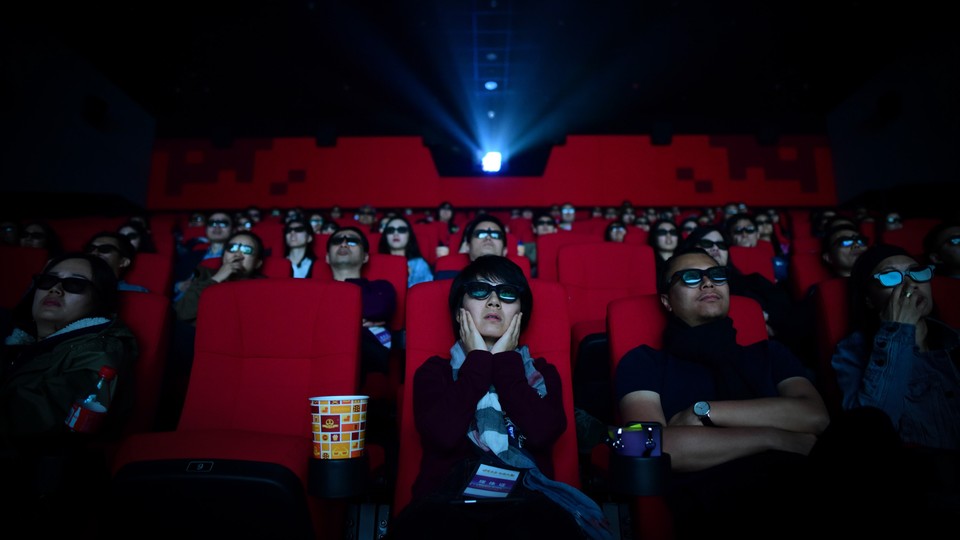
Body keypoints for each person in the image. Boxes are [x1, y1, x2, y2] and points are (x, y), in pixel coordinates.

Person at [614, 247, 922, 538]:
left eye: (717, 274)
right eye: (691, 277)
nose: (708, 281)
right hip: (719, 499)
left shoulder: (771, 353)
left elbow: (815, 417)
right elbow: (642, 444)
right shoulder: (644, 361)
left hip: (804, 480)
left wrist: (705, 411)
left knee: (869, 425)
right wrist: (775, 437)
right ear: (667, 301)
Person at [387, 255, 609, 540]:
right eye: (480, 291)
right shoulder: (434, 372)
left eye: (507, 294)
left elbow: (543, 433)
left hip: (527, 500)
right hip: (447, 502)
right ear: (459, 313)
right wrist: (479, 360)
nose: (493, 301)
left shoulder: (542, 373)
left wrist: (504, 361)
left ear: (520, 315)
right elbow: (442, 435)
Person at [1, 253, 138, 534]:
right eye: (48, 280)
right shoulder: (16, 337)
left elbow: (44, 412)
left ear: (98, 299)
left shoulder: (100, 349)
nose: (55, 289)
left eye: (75, 285)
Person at [831, 244, 959, 524]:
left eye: (916, 273)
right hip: (916, 490)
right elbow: (871, 430)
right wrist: (899, 332)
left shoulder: (955, 342)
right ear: (868, 299)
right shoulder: (851, 352)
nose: (910, 284)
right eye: (890, 277)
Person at [325, 227, 397, 379]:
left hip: (368, 359)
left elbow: (379, 308)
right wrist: (357, 322)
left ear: (365, 257)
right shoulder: (313, 291)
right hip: (323, 353)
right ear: (327, 257)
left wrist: (334, 320)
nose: (344, 244)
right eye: (338, 241)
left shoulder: (381, 287)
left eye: (352, 241)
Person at [172, 210, 234, 301]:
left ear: (233, 229)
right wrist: (179, 285)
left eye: (223, 223)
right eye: (212, 223)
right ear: (206, 229)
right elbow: (172, 281)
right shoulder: (191, 255)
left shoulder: (236, 257)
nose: (217, 227)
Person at [378, 215, 433, 288]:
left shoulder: (419, 264)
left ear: (409, 235)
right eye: (391, 230)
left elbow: (423, 294)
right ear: (385, 236)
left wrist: (407, 279)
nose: (395, 234)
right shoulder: (378, 263)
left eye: (401, 230)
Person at [85, 231, 150, 292]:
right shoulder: (81, 287)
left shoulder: (137, 292)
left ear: (123, 262)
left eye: (105, 249)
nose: (94, 253)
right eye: (90, 249)